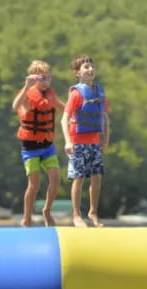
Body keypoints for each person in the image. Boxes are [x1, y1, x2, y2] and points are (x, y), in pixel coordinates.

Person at [12, 60, 65, 227]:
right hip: (31, 148)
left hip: (47, 146)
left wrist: (78, 110)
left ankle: (47, 211)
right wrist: (27, 86)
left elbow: (63, 107)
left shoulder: (50, 94)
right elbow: (16, 105)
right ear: (34, 79)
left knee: (55, 179)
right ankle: (26, 218)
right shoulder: (27, 96)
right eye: (43, 78)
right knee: (34, 184)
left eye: (49, 78)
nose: (47, 82)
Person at [61, 55, 110, 227]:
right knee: (79, 178)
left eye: (91, 66)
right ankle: (76, 215)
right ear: (77, 73)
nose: (90, 69)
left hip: (94, 142)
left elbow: (104, 118)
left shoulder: (100, 92)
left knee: (97, 177)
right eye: (86, 67)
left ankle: (93, 212)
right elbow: (64, 119)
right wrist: (67, 142)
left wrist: (105, 140)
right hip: (77, 142)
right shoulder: (76, 94)